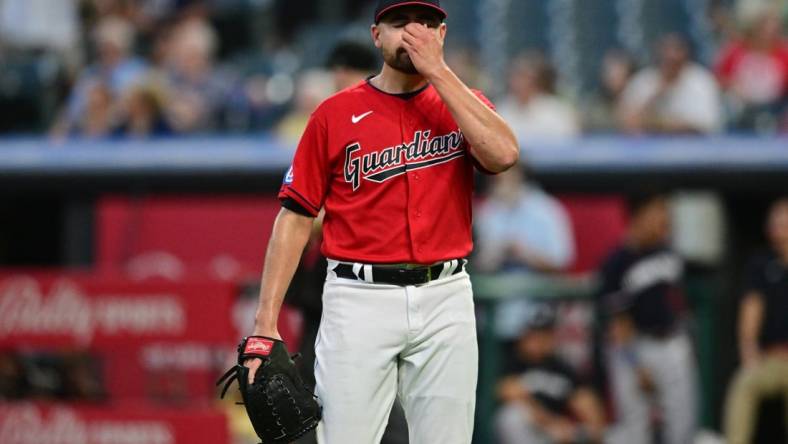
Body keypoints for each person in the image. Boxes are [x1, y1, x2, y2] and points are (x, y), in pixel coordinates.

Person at [242, 1, 519, 443]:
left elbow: (503, 154)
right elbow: (294, 218)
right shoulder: (333, 115)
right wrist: (264, 324)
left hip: (445, 294)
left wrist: (440, 73)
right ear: (376, 35)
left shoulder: (464, 104)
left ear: (442, 35)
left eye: (426, 24)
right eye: (399, 23)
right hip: (358, 297)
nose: (413, 33)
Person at [597, 192, 698, 444]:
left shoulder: (669, 253)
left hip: (673, 343)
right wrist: (635, 365)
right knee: (634, 432)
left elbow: (682, 302)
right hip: (635, 348)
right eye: (657, 211)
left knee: (683, 427)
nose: (664, 218)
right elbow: (617, 321)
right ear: (638, 216)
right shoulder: (616, 262)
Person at [475, 166, 575, 340]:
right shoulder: (487, 212)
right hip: (493, 318)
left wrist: (524, 253)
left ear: (519, 175)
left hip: (538, 316)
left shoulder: (546, 209)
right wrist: (498, 255)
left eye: (504, 175)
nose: (499, 182)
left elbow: (561, 261)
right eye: (495, 178)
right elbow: (477, 265)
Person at [724, 197, 788, 444]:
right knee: (744, 383)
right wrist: (749, 352)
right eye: (776, 223)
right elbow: (751, 312)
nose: (779, 229)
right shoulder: (761, 264)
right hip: (771, 358)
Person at [495, 305, 606, 444]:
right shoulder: (512, 362)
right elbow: (509, 392)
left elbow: (586, 401)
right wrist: (550, 422)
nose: (539, 340)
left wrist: (593, 429)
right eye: (534, 334)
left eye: (545, 334)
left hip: (556, 435)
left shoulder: (561, 367)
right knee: (512, 417)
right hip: (534, 430)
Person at [618, 34, 722, 135]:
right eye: (666, 51)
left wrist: (656, 124)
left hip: (693, 150)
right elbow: (627, 123)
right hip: (650, 150)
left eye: (677, 50)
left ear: (686, 54)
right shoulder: (643, 80)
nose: (671, 56)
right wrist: (656, 96)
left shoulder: (702, 81)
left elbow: (704, 126)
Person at [715, 4, 788, 131]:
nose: (766, 36)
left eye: (772, 32)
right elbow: (718, 78)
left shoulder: (783, 54)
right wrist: (731, 85)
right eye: (763, 31)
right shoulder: (736, 51)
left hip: (776, 107)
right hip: (739, 106)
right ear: (754, 31)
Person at [496, 52, 580, 140]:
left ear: (538, 81)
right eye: (515, 77)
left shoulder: (558, 112)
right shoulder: (502, 109)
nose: (517, 83)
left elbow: (569, 144)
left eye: (524, 77)